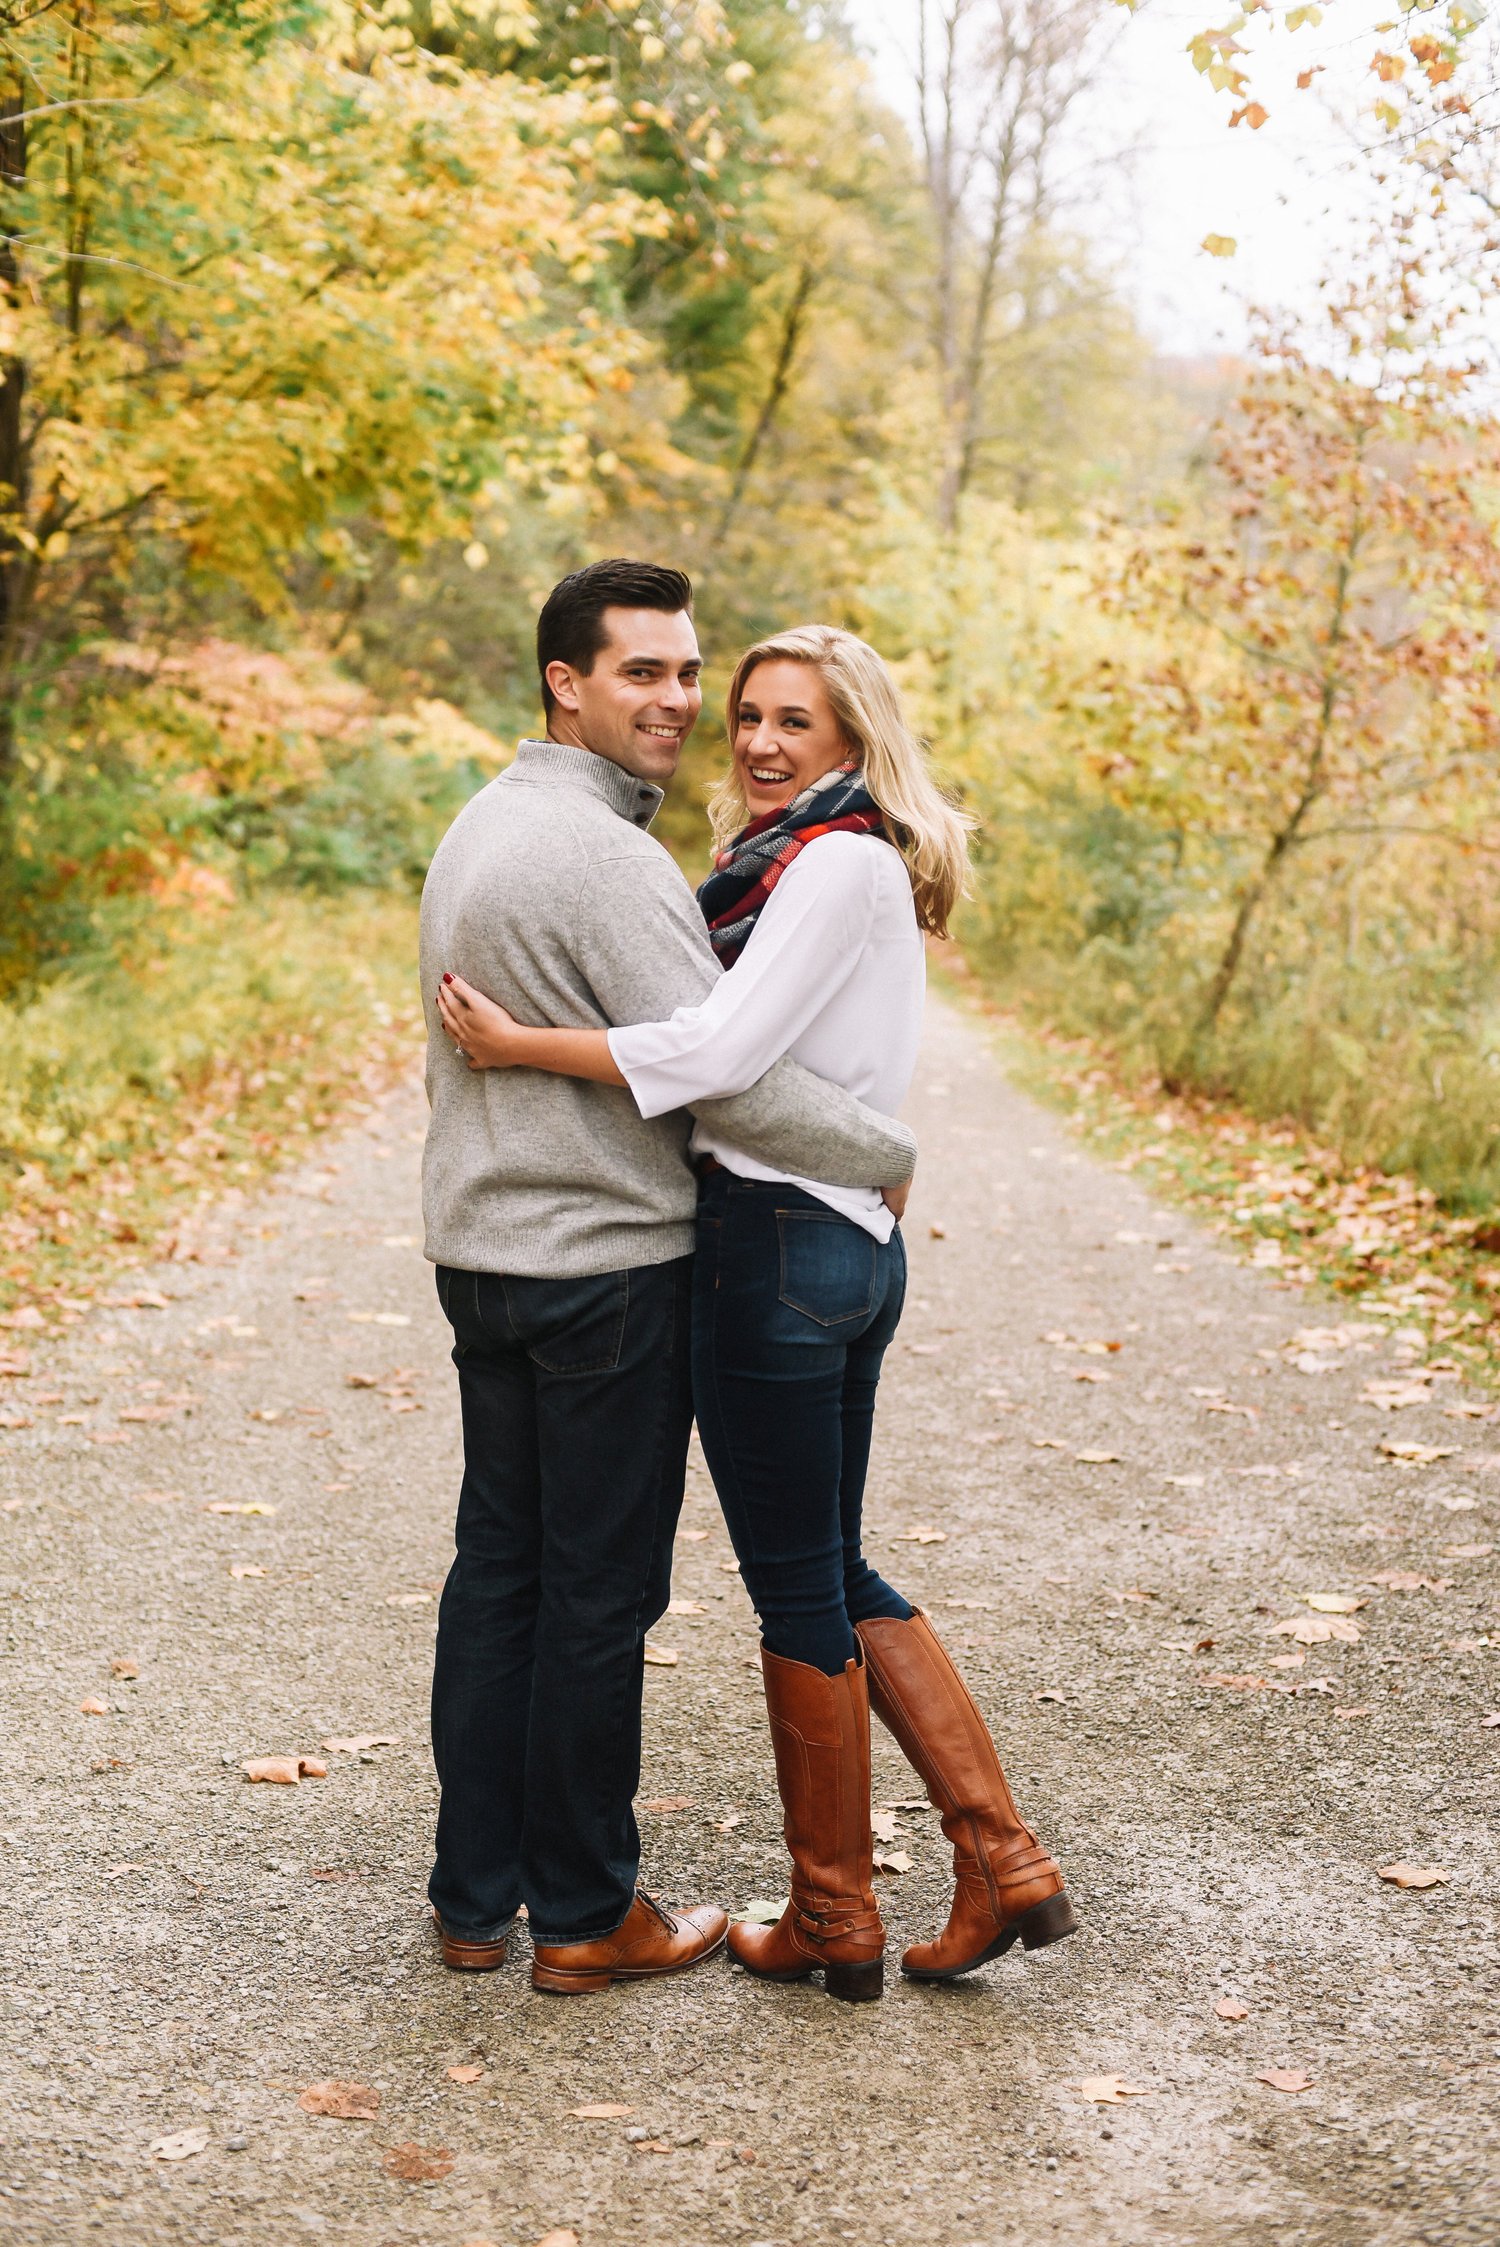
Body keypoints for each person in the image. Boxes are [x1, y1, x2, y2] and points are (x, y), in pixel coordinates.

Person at [437, 624, 1078, 2005]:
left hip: (780, 1244)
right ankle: (997, 1862)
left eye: (800, 720)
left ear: (858, 737)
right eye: (751, 716)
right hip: (825, 1246)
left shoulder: (827, 863)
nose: (762, 742)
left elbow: (721, 1057)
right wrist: (876, 1156)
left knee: (799, 1579)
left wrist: (517, 1045)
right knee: (831, 1568)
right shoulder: (807, 864)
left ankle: (845, 1913)